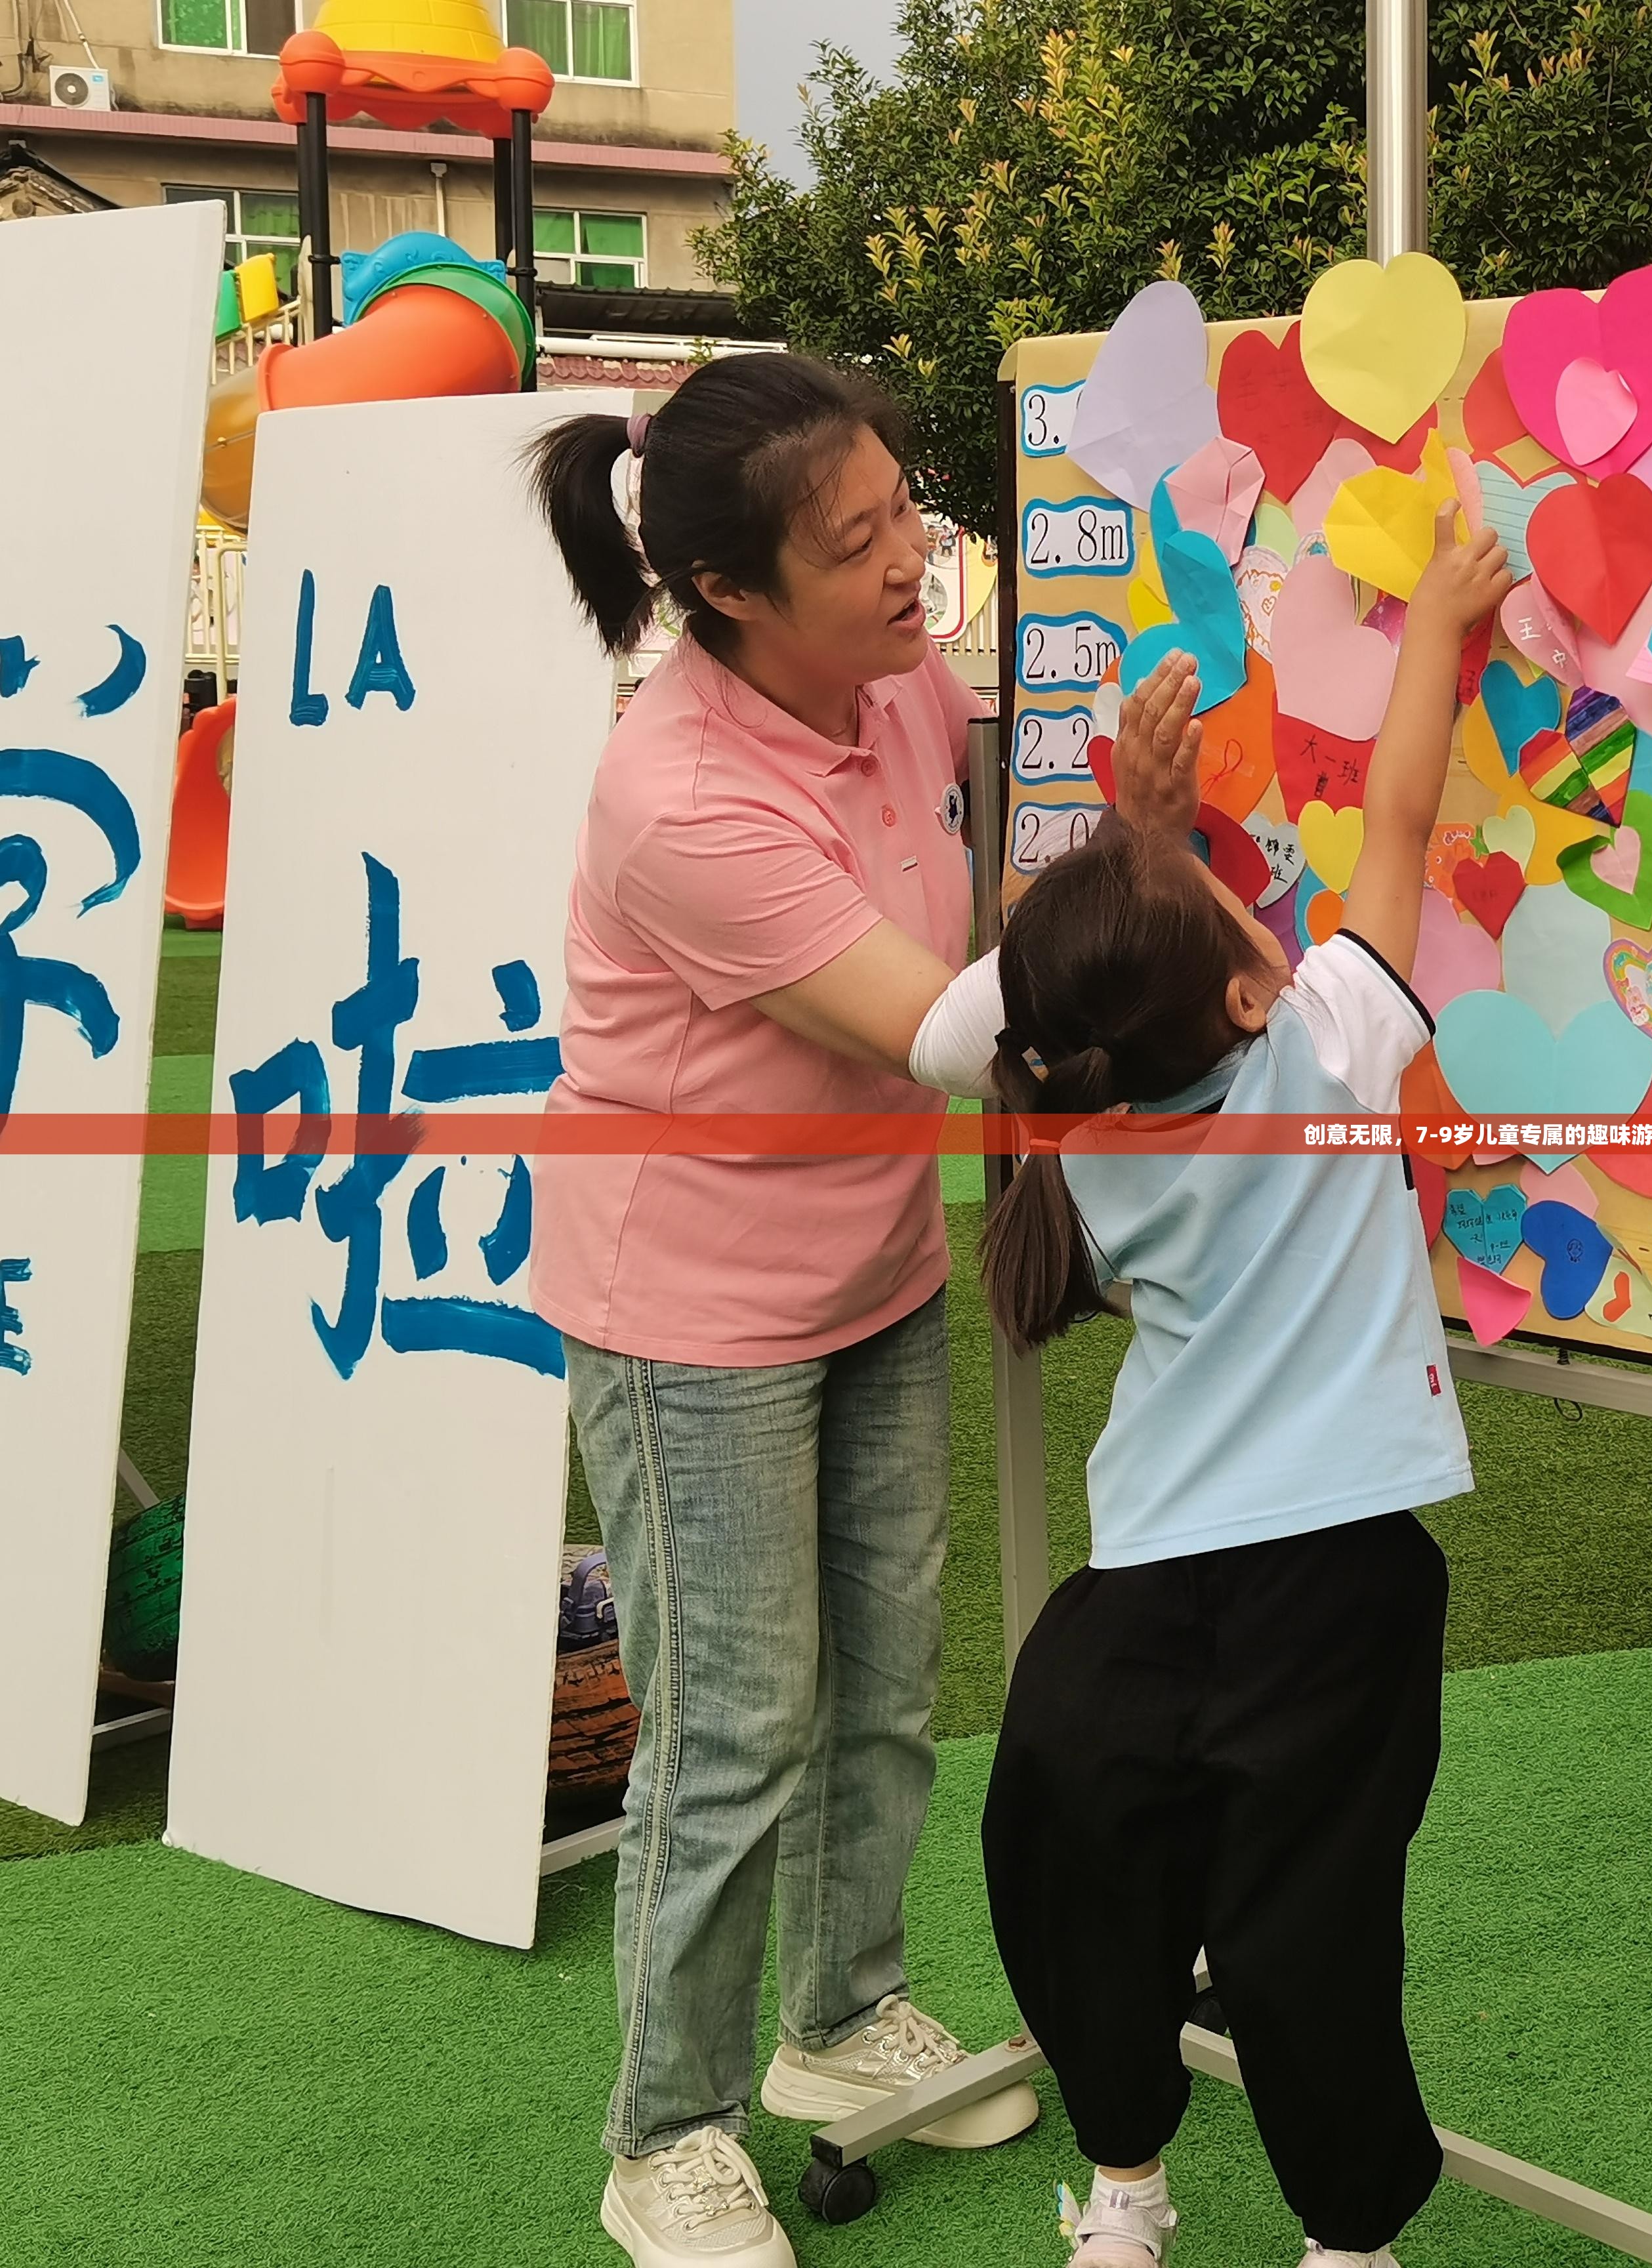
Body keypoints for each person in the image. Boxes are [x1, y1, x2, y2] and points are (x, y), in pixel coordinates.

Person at [939, 508, 1514, 2268]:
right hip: (1283, 1589)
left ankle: (1294, 2225)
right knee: (1258, 1919)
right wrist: (1437, 640)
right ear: (1257, 988)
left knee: (1154, 1884)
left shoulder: (1090, 1130)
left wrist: (1143, 830)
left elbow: (1094, 986)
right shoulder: (1334, 1039)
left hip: (1224, 1592)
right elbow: (1398, 826)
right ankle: (1153, 2193)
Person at [526, 354, 1033, 2268]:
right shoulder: (673, 796)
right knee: (735, 1727)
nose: (913, 560)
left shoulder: (902, 682)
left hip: (877, 1265)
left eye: (909, 506)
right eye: (862, 539)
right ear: (732, 592)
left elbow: (997, 866)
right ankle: (664, 2131)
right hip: (693, 1317)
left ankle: (839, 2020)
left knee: (884, 1681)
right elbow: (950, 1025)